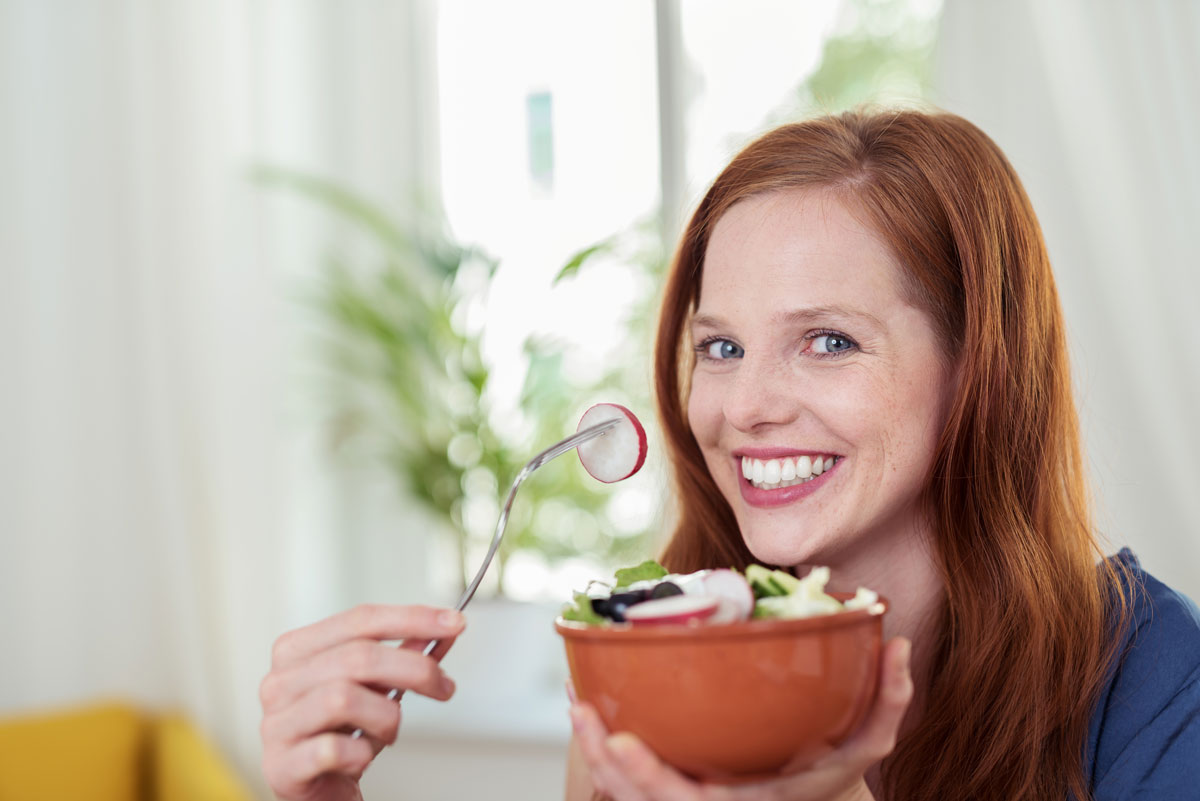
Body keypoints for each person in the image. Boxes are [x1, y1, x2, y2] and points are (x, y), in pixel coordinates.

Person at [258, 110, 1200, 801]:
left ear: (979, 371)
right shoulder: (646, 674)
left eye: (829, 340)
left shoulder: (1156, 681)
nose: (744, 408)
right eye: (721, 346)